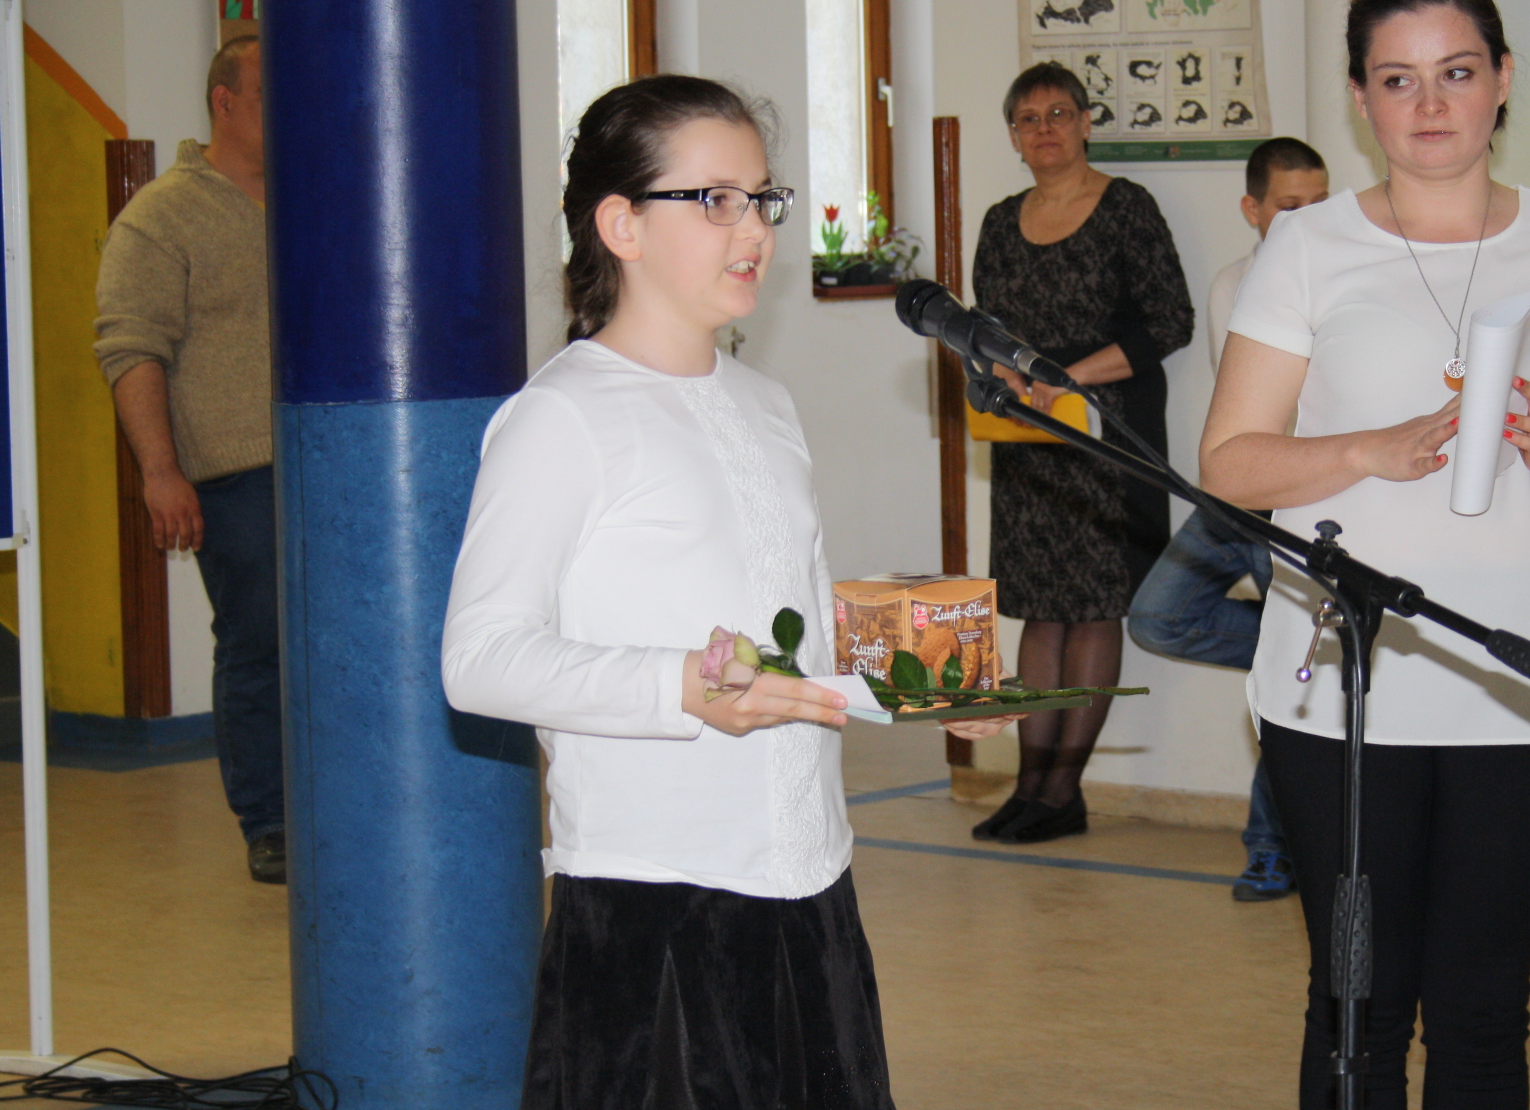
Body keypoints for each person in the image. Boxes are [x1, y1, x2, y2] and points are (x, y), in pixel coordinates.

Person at [440, 75, 1011, 1106]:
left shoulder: (765, 403)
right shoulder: (560, 417)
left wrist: (914, 684)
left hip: (808, 881)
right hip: (656, 900)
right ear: (620, 224)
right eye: (715, 200)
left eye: (761, 199)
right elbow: (478, 660)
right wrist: (682, 687)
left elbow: (786, 640)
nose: (754, 230)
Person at [1200, 0, 1530, 1108]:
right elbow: (1230, 462)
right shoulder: (1305, 247)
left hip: (1516, 676)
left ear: (1501, 79)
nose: (1429, 104)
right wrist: (1369, 447)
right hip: (1343, 687)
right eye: (1396, 79)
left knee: (1481, 1007)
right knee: (1356, 1002)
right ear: (1360, 97)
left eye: (1455, 72)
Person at [969, 62, 1195, 845]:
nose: (1045, 129)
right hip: (1029, 435)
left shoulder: (1128, 207)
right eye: (1028, 119)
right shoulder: (1000, 221)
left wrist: (1069, 378)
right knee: (1041, 608)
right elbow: (986, 326)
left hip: (1109, 433)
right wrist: (1003, 373)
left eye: (1059, 113)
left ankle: (1063, 792)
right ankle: (1030, 788)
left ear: (1086, 122)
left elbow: (1169, 322)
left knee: (1095, 608)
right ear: (1013, 136)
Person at [93, 35, 283, 883]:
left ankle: (336, 805)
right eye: (269, 92)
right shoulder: (161, 216)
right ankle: (269, 821)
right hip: (233, 472)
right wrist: (160, 472)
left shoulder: (317, 196)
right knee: (259, 642)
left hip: (332, 463)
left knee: (343, 641)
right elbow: (131, 347)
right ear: (224, 101)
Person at [1126, 137, 1328, 901]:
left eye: (1321, 204)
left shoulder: (1350, 281)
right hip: (1238, 498)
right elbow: (1248, 412)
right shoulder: (1232, 285)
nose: (1309, 219)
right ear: (1253, 209)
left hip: (1307, 505)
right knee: (1157, 619)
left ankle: (1270, 847)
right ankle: (1310, 651)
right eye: (1291, 207)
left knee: (1286, 681)